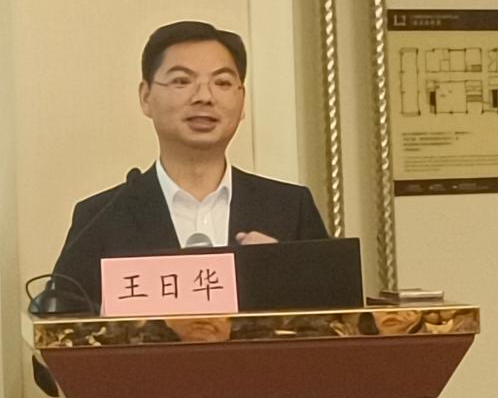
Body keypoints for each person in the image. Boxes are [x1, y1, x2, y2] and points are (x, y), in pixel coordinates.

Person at [51, 21, 328, 310]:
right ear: (146, 97)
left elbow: (337, 323)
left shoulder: (290, 209)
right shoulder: (101, 218)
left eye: (222, 83)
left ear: (242, 99)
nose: (204, 97)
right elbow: (62, 327)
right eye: (182, 81)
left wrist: (285, 275)